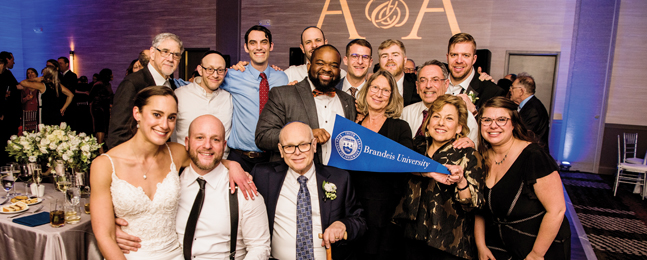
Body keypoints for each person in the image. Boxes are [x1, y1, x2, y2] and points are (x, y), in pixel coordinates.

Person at [90, 86, 256, 260]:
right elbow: (105, 236)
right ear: (137, 113)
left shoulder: (175, 153)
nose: (164, 125)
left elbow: (206, 155)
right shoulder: (105, 165)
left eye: (171, 117)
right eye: (157, 114)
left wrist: (233, 164)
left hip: (175, 254)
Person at [115, 115, 271, 259]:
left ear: (224, 145)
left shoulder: (244, 190)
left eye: (215, 140)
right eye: (200, 138)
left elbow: (260, 248)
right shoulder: (169, 185)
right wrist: (118, 227)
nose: (207, 145)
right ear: (187, 143)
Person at [251, 122, 366, 260]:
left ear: (314, 145)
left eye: (303, 144)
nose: (297, 152)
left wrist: (342, 225)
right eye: (289, 147)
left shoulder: (340, 178)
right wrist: (232, 165)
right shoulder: (263, 176)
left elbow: (360, 221)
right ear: (281, 150)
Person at [474, 97, 570, 260]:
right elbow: (479, 210)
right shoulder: (480, 158)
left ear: (513, 123)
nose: (493, 125)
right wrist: (481, 246)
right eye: (487, 120)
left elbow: (557, 210)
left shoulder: (534, 157)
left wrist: (536, 255)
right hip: (497, 245)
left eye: (501, 119)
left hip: (538, 247)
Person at [393, 94, 485, 260]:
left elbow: (474, 206)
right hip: (411, 238)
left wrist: (461, 181)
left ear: (459, 128)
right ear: (427, 124)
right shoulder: (415, 147)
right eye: (436, 116)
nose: (441, 123)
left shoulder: (468, 154)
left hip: (449, 246)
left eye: (449, 118)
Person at [255, 45, 356, 165]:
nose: (327, 69)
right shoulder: (283, 95)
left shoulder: (348, 101)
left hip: (337, 178)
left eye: (334, 65)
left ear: (339, 70)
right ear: (309, 66)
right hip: (293, 178)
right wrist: (307, 134)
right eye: (320, 63)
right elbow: (263, 137)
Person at [349, 70, 412, 260]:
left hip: (387, 213)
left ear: (391, 97)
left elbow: (406, 166)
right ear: (367, 90)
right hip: (354, 209)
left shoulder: (400, 127)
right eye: (375, 87)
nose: (379, 94)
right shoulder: (353, 126)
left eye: (385, 90)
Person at [220, 25, 288, 172]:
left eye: (263, 42)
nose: (259, 47)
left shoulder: (281, 77)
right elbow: (206, 82)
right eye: (253, 43)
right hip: (240, 158)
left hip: (272, 157)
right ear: (246, 47)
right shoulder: (233, 75)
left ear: (271, 46)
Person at [107, 33, 181, 150]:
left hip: (165, 157)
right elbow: (118, 136)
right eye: (165, 52)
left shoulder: (172, 85)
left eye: (176, 55)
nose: (170, 59)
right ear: (152, 53)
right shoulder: (133, 83)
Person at [401, 60, 480, 147]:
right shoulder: (405, 114)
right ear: (417, 86)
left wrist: (472, 146)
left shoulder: (464, 116)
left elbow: (476, 150)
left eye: (435, 80)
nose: (428, 85)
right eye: (423, 80)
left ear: (446, 84)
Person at [173, 50, 233, 159]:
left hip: (220, 166)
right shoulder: (179, 95)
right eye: (210, 69)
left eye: (220, 70)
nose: (215, 75)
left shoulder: (229, 98)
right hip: (185, 165)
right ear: (200, 70)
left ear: (225, 72)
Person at [444, 33, 505, 115]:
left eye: (465, 55)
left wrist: (474, 112)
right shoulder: (435, 83)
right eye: (454, 55)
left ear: (474, 59)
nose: (459, 60)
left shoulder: (492, 92)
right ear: (447, 57)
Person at [509, 73, 550, 150]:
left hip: (533, 155)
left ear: (521, 91)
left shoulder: (533, 110)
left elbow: (522, 134)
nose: (510, 90)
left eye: (512, 87)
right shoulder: (529, 105)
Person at [377, 39, 420, 106]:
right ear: (379, 61)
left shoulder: (418, 83)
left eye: (395, 55)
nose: (390, 59)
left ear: (404, 60)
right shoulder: (370, 87)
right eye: (385, 56)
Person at [90, 68, 115, 153]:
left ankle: (101, 146)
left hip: (104, 108)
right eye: (111, 74)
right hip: (99, 108)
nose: (112, 76)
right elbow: (94, 98)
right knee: (100, 127)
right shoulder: (98, 84)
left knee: (103, 128)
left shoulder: (107, 84)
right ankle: (100, 147)